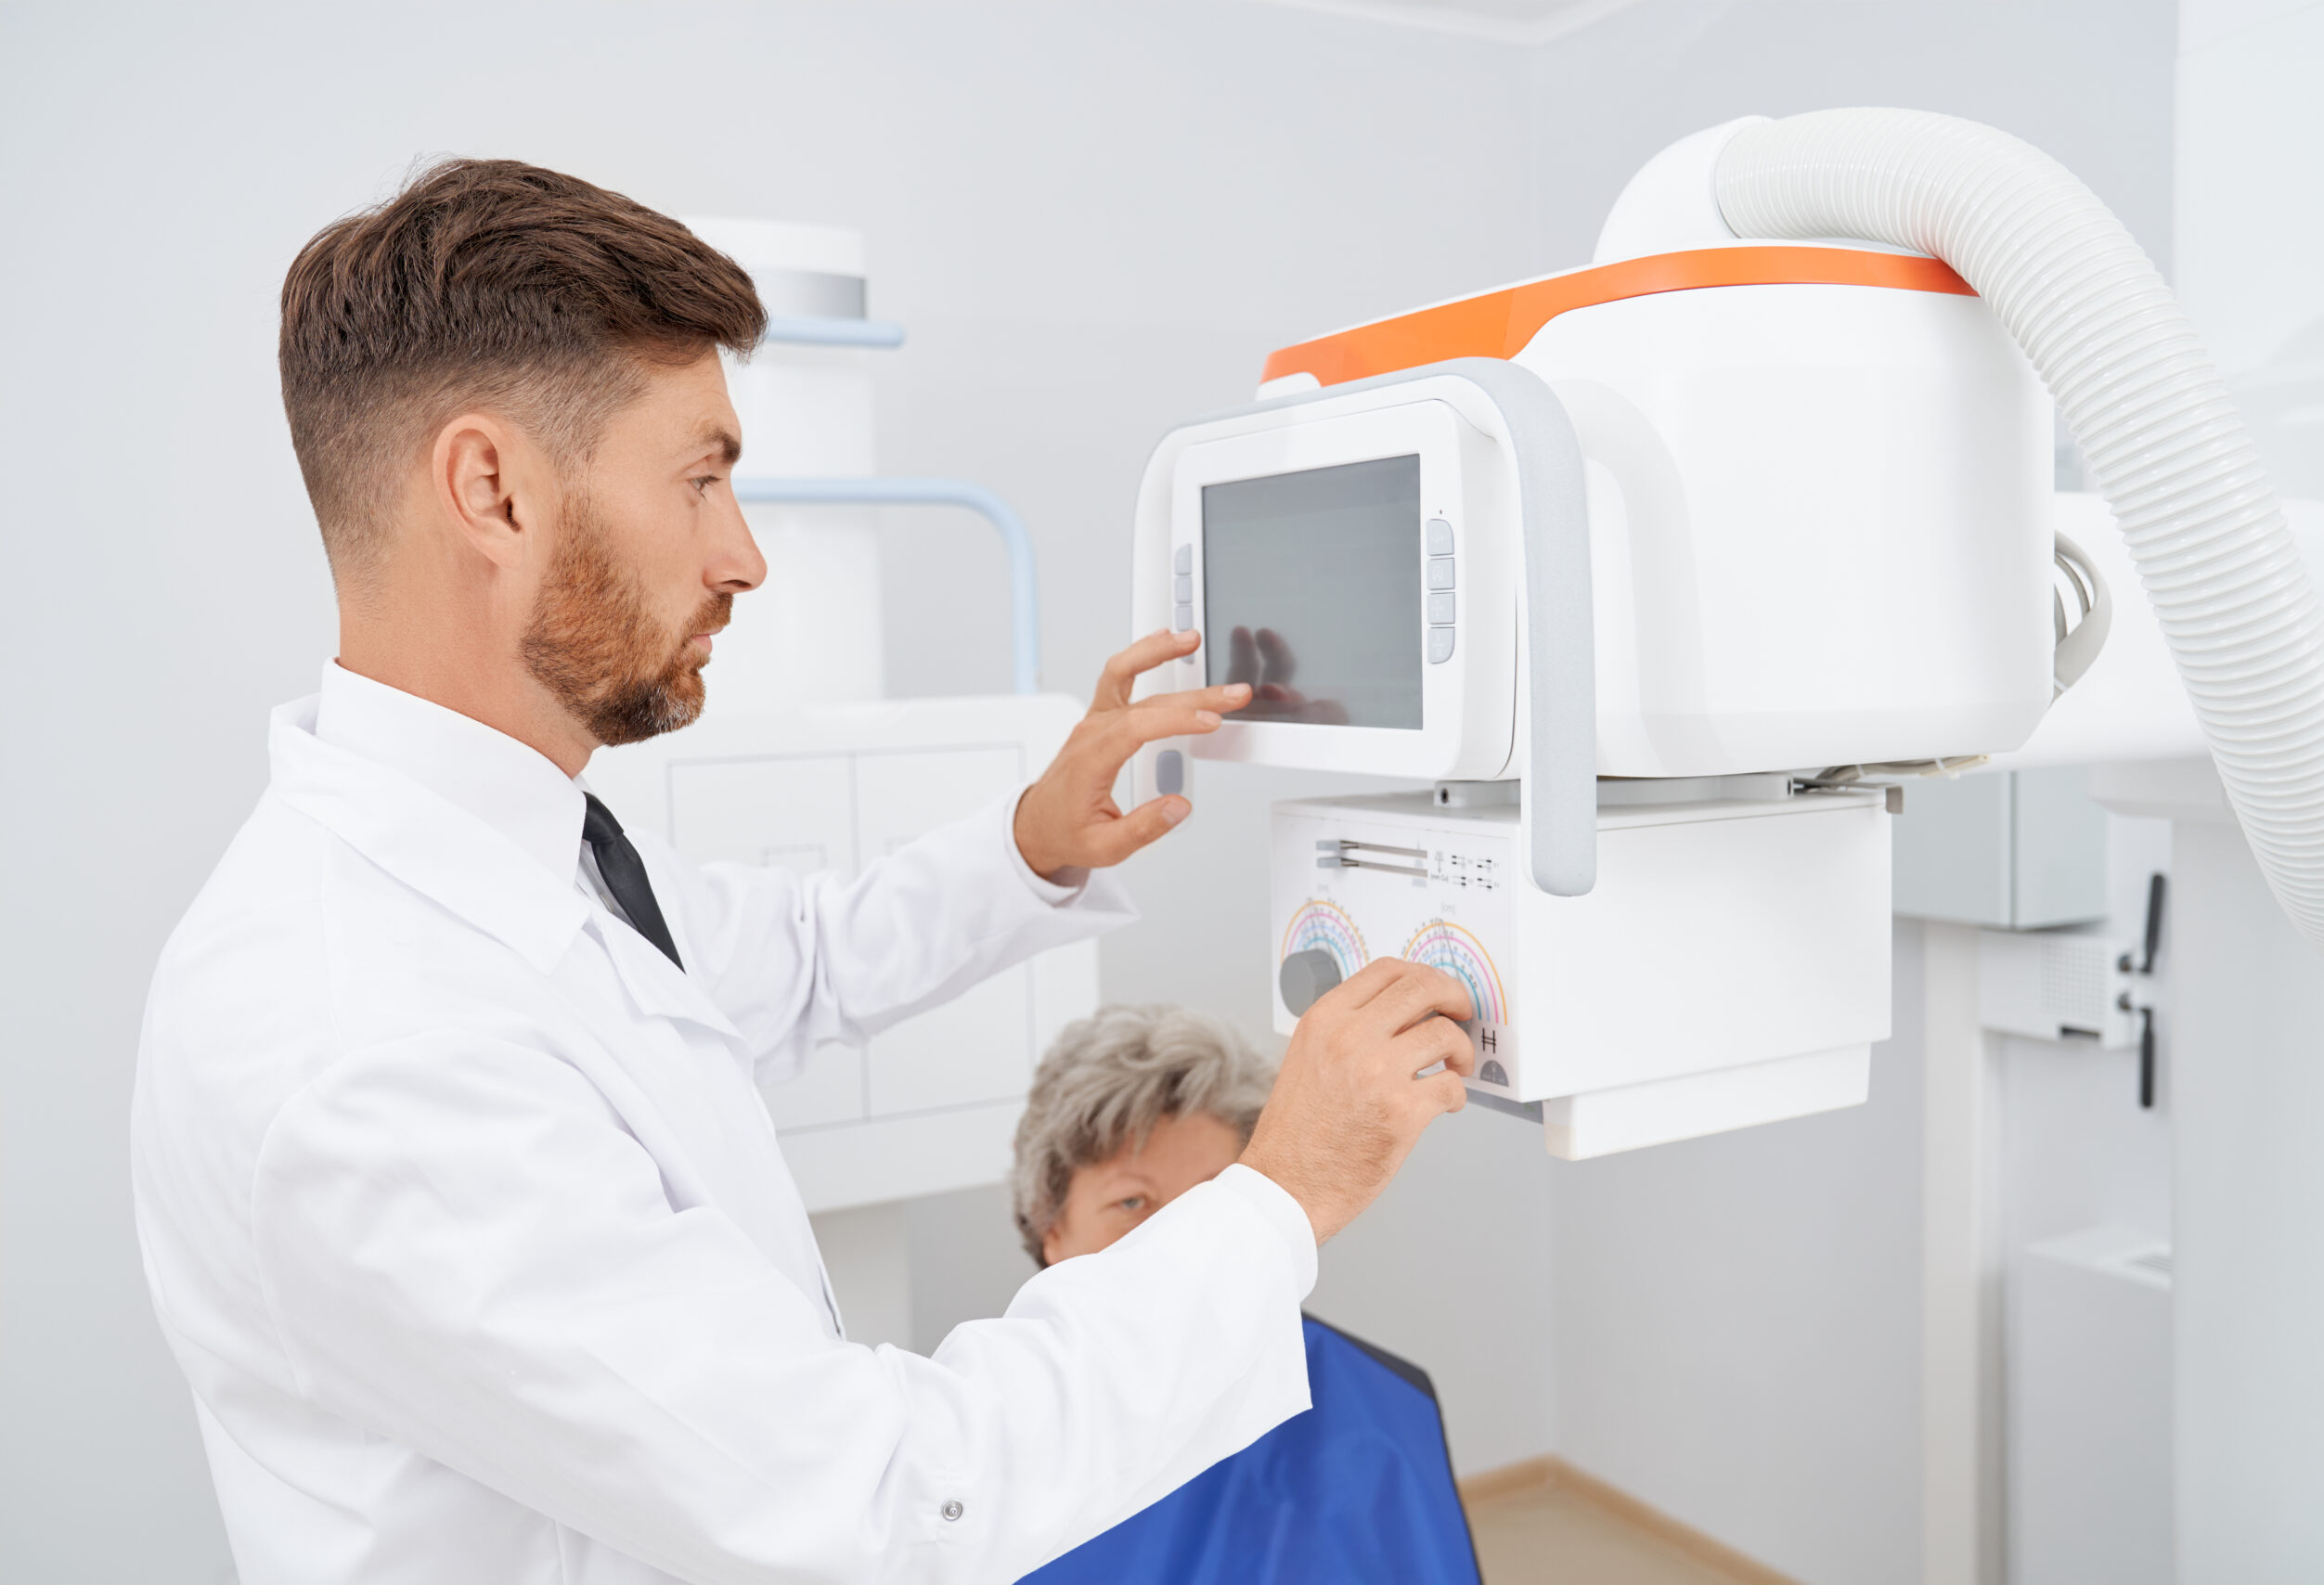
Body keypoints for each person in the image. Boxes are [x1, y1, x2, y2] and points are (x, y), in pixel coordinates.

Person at [129, 158, 1477, 1585]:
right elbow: (880, 1501)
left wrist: (1032, 844)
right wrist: (1285, 1191)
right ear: (492, 490)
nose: (747, 555)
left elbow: (804, 958)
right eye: (702, 478)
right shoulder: (367, 1048)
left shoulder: (522, 853)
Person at [1009, 1006, 1483, 1584]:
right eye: (1133, 1203)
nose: (1176, 1242)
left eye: (1210, 1199)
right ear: (1049, 1226)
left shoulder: (1375, 1408)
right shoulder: (981, 1432)